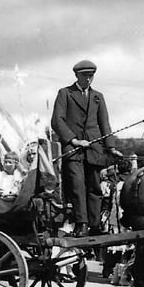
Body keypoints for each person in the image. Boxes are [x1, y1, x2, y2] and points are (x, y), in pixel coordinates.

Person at [51, 59, 121, 237]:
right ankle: (81, 224)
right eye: (85, 76)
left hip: (94, 149)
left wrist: (111, 147)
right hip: (73, 149)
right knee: (77, 186)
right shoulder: (65, 93)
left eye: (91, 76)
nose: (88, 79)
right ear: (76, 75)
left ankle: (95, 225)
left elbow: (104, 123)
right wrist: (74, 140)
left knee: (95, 187)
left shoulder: (98, 96)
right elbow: (57, 121)